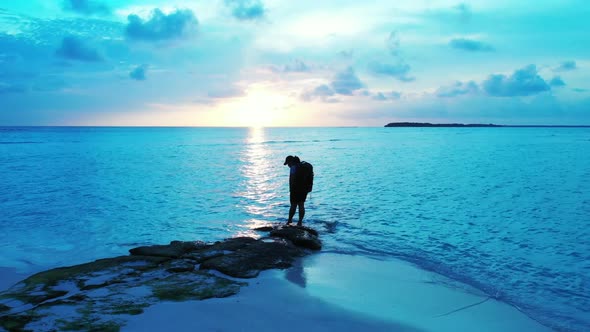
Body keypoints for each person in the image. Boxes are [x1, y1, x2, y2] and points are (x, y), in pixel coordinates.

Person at [284, 155, 311, 226]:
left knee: (293, 205)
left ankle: (289, 221)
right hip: (304, 189)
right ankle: (300, 222)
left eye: (288, 163)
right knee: (301, 205)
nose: (288, 165)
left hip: (295, 189)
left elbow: (292, 179)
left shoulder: (293, 167)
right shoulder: (303, 167)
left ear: (290, 162)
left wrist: (291, 189)